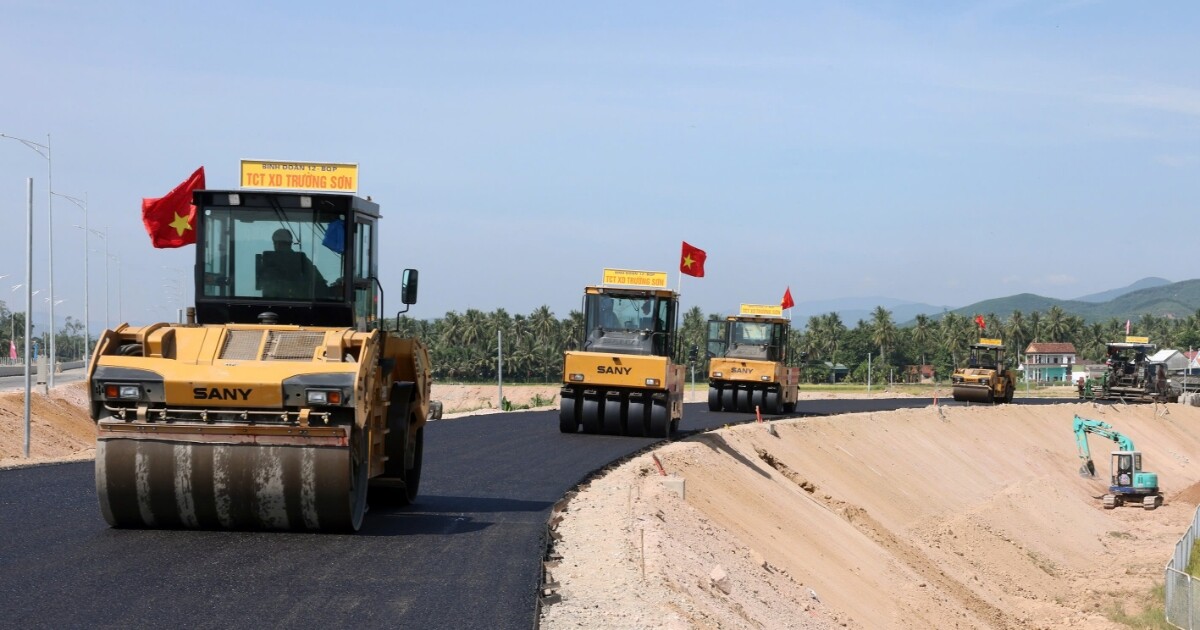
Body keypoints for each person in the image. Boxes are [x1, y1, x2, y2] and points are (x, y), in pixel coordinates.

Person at [260, 228, 328, 299]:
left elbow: (320, 285)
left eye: (280, 243)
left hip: (294, 303)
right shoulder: (304, 261)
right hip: (298, 303)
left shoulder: (303, 261)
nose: (278, 246)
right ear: (290, 243)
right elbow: (321, 285)